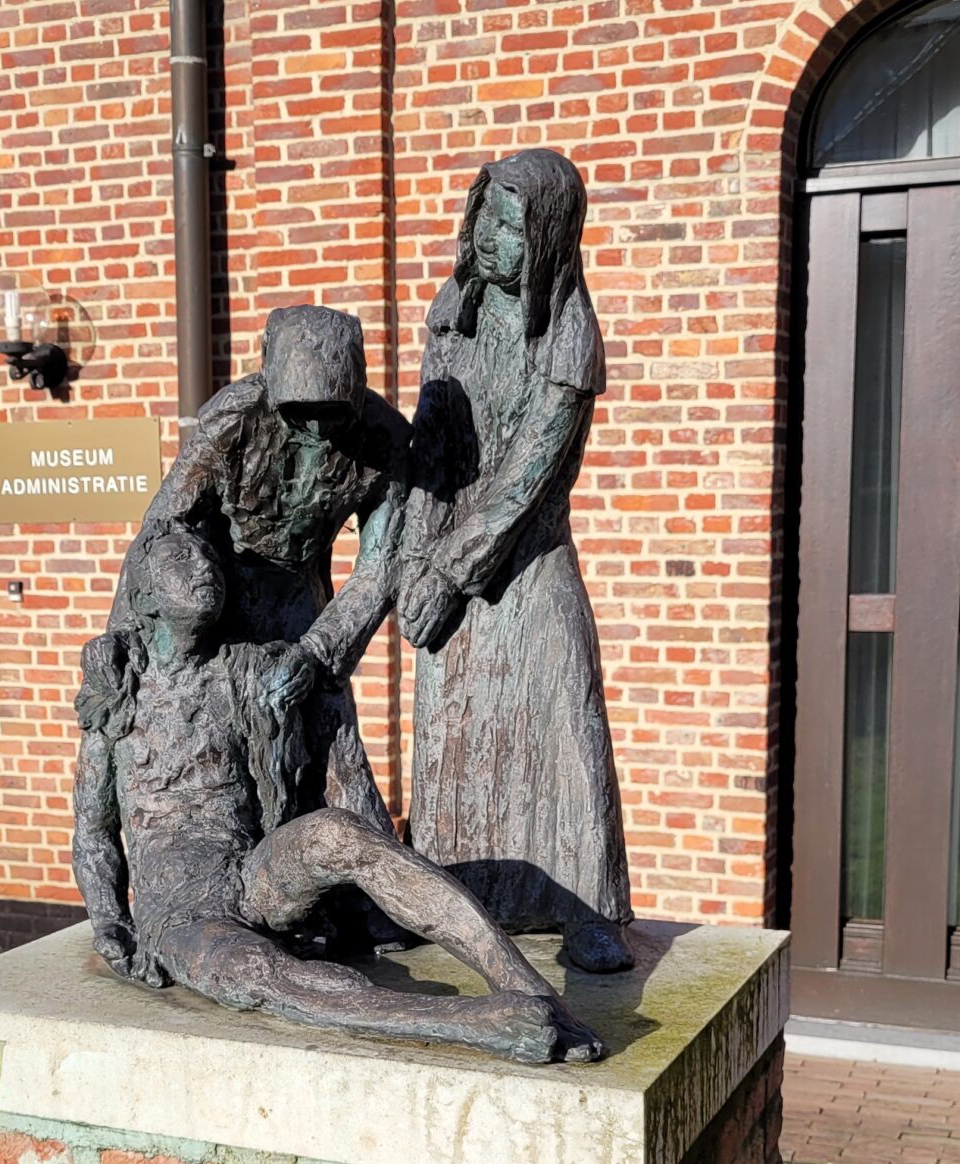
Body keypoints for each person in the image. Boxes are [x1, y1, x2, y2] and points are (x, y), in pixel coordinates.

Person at [73, 522, 604, 1064]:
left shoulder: (243, 672)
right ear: (144, 599)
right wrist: (109, 919)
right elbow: (93, 832)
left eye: (206, 555)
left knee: (340, 833)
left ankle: (527, 985)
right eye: (179, 561)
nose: (204, 567)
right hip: (180, 911)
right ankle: (475, 1023)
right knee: (256, 973)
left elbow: (318, 654)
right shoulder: (116, 697)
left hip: (251, 872)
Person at [286, 148, 634, 973]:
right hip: (447, 556)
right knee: (453, 742)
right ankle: (448, 897)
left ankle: (588, 909)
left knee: (566, 725)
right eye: (486, 218)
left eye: (512, 228)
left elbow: (525, 483)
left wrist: (449, 572)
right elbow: (434, 442)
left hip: (530, 565)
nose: (490, 238)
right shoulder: (454, 316)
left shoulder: (569, 339)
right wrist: (417, 556)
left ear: (550, 241)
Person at [113, 304, 406, 831]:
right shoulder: (232, 419)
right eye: (300, 411)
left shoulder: (384, 438)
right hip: (219, 597)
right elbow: (162, 529)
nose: (316, 427)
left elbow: (380, 564)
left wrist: (317, 653)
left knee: (332, 741)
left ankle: (367, 864)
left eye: (332, 411)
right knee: (241, 753)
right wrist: (123, 636)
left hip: (303, 606)